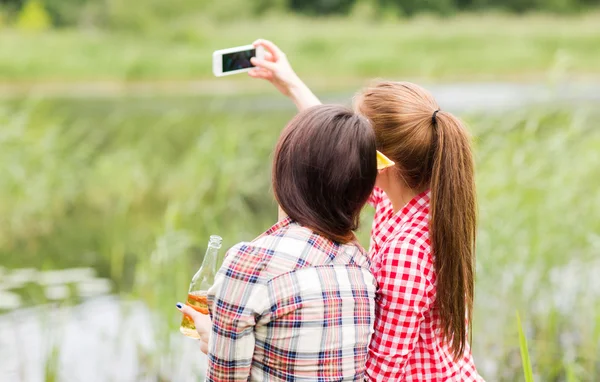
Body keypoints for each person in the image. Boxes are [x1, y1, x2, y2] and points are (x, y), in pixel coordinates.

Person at [247, 40, 483, 381]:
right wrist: (291, 84)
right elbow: (338, 147)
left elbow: (380, 375)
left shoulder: (408, 251)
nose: (346, 153)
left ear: (379, 162)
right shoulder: (414, 190)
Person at [178, 105, 379, 381]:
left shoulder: (251, 262)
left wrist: (216, 344)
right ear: (363, 190)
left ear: (286, 174)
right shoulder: (362, 266)